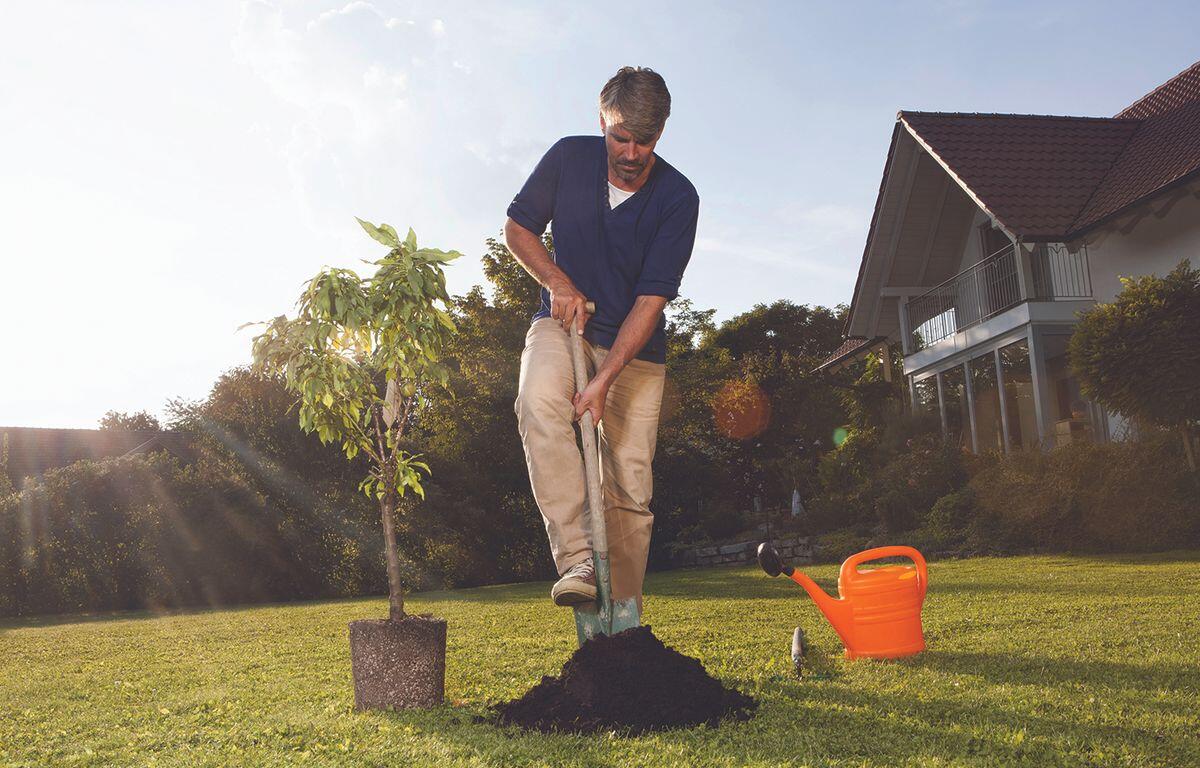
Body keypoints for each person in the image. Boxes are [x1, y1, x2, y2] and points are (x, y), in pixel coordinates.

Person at [504, 66, 699, 608]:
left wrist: (606, 379)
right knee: (538, 399)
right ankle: (577, 560)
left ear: (661, 133)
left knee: (630, 488)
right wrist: (557, 280)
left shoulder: (679, 198)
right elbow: (518, 227)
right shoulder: (568, 157)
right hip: (563, 325)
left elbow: (651, 300)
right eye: (620, 137)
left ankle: (623, 623)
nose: (632, 153)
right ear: (601, 122)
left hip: (634, 350)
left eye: (646, 140)